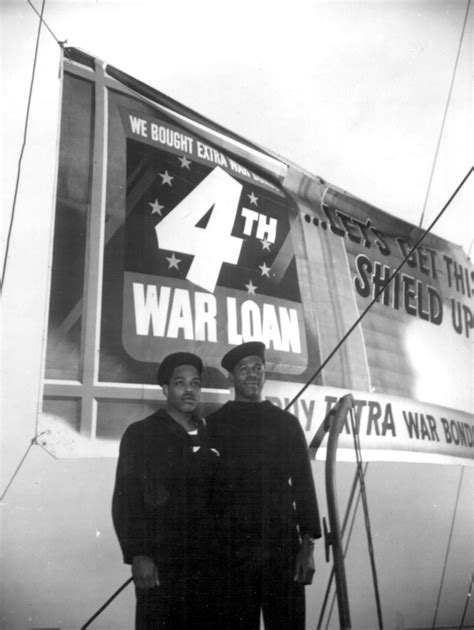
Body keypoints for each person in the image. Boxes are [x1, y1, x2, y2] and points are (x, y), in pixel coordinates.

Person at [206, 341, 321, 630]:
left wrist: (307, 547)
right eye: (243, 369)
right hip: (230, 557)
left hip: (282, 552)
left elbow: (304, 487)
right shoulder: (212, 425)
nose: (252, 374)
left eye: (258, 367)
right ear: (230, 377)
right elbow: (201, 495)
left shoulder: (286, 423)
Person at [112, 352, 221, 629]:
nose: (189, 390)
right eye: (180, 383)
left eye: (195, 383)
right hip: (160, 566)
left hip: (208, 569)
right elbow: (126, 499)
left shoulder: (213, 436)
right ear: (165, 389)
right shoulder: (141, 434)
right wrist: (138, 554)